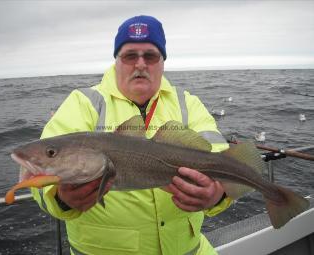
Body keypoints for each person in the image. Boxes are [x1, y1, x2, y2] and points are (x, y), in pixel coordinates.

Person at [32, 15, 232, 255]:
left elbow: (222, 158)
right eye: (129, 56)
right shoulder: (84, 103)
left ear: (162, 62)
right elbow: (40, 175)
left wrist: (218, 193)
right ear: (117, 61)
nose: (140, 64)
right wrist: (61, 197)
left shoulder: (187, 102)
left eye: (150, 55)